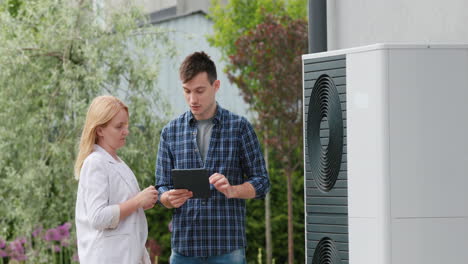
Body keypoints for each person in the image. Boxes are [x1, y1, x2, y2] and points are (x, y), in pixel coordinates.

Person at [155, 51, 270, 263]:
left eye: (199, 91)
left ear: (216, 86)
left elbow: (262, 182)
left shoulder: (240, 128)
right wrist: (167, 198)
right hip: (184, 249)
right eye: (187, 91)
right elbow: (161, 185)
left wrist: (233, 190)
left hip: (227, 247)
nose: (192, 99)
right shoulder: (170, 132)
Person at [74, 95, 158, 264]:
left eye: (126, 125)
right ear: (99, 130)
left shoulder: (118, 163)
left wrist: (140, 204)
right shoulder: (95, 163)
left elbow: (124, 208)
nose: (126, 131)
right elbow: (98, 217)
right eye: (119, 126)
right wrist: (137, 201)